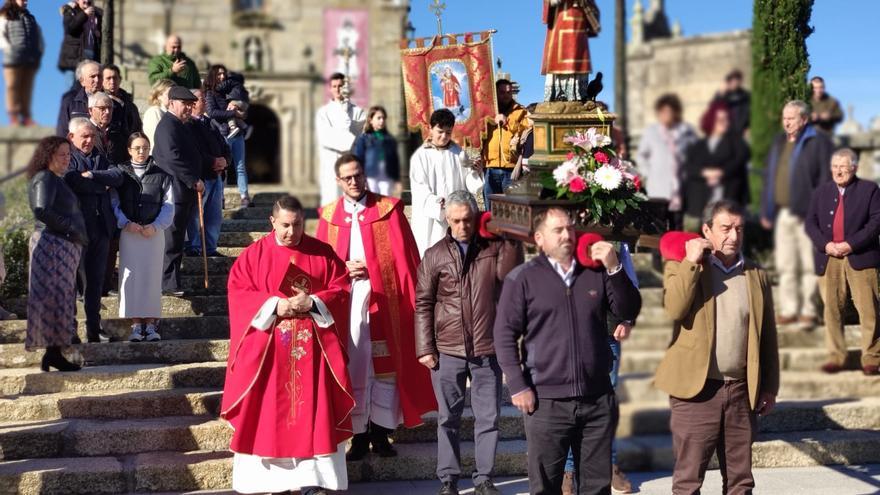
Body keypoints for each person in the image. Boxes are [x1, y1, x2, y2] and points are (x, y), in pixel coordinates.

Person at [493, 207, 641, 495]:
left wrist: (614, 267)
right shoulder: (522, 278)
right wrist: (517, 384)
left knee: (597, 488)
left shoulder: (596, 273)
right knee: (545, 487)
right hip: (546, 401)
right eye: (557, 230)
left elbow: (628, 308)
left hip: (596, 398)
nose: (566, 235)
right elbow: (504, 334)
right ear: (539, 239)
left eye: (569, 229)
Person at [220, 195, 354, 495]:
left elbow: (341, 289)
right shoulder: (253, 256)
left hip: (313, 353)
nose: (290, 232)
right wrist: (273, 306)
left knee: (312, 416)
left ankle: (313, 481)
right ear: (272, 222)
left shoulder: (323, 254)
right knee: (271, 418)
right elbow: (238, 294)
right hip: (269, 356)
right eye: (284, 226)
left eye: (296, 225)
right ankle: (273, 484)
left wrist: (315, 301)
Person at [316, 153, 437, 461]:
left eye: (358, 175)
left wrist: (373, 268)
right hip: (347, 301)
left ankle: (382, 433)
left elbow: (406, 259)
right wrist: (344, 269)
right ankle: (357, 437)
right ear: (338, 181)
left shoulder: (388, 210)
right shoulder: (328, 216)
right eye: (348, 177)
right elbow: (320, 267)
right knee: (354, 367)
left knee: (384, 369)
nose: (354, 181)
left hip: (384, 299)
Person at [654, 200, 780, 494]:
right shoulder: (683, 266)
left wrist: (769, 386)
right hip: (697, 392)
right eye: (725, 228)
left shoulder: (755, 274)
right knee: (688, 480)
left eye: (739, 229)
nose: (733, 237)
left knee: (741, 480)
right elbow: (674, 308)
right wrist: (690, 263)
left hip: (740, 391)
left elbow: (768, 335)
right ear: (706, 230)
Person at [415, 190, 522, 495]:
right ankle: (448, 478)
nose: (462, 226)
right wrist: (425, 348)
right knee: (448, 417)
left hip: (487, 348)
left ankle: (484, 478)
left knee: (489, 417)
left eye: (468, 220)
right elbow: (423, 302)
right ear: (447, 220)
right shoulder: (434, 254)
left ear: (476, 217)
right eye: (456, 220)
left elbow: (510, 277)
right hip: (447, 349)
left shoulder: (494, 248)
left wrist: (509, 237)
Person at [804, 148, 880, 376]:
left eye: (843, 166)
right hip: (828, 258)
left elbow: (877, 222)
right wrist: (825, 245)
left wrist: (851, 244)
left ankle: (872, 358)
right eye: (835, 166)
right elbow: (810, 223)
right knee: (832, 311)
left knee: (869, 310)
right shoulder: (821, 192)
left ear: (854, 168)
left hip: (860, 256)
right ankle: (836, 357)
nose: (838, 171)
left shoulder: (870, 190)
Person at [761, 100, 834, 326]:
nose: (787, 122)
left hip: (808, 215)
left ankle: (809, 310)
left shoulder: (819, 142)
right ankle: (790, 308)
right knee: (786, 264)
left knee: (809, 264)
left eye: (791, 118)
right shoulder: (779, 142)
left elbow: (825, 179)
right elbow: (770, 177)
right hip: (783, 213)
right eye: (784, 118)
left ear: (804, 119)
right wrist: (767, 209)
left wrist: (818, 211)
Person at [26, 135, 87, 371]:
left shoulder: (56, 179)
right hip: (52, 245)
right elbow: (41, 210)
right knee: (54, 298)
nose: (66, 158)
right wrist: (71, 228)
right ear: (48, 155)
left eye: (68, 154)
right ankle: (53, 353)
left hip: (62, 244)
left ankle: (54, 353)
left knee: (61, 299)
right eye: (61, 154)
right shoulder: (45, 177)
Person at [64, 117, 123, 343]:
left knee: (96, 282)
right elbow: (74, 182)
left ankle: (93, 328)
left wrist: (95, 176)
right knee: (75, 282)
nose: (89, 140)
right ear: (72, 137)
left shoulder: (100, 158)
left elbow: (118, 177)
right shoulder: (68, 159)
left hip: (101, 228)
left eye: (92, 136)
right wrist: (101, 185)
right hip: (78, 230)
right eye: (84, 136)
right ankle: (70, 329)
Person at [111, 132, 174, 342]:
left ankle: (152, 324)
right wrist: (125, 223)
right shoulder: (120, 173)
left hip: (153, 234)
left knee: (152, 277)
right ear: (129, 150)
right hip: (130, 233)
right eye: (137, 148)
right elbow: (114, 202)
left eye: (145, 148)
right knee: (131, 279)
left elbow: (168, 205)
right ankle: (136, 325)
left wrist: (155, 226)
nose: (141, 152)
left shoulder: (162, 175)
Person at [152, 86, 206, 296]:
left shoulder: (181, 125)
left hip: (183, 191)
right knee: (171, 239)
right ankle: (168, 283)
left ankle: (172, 281)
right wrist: (193, 180)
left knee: (177, 238)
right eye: (185, 104)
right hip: (174, 190)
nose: (188, 108)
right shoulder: (167, 125)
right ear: (172, 102)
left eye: (191, 104)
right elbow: (172, 159)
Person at [409, 108, 484, 257]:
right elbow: (419, 188)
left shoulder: (458, 153)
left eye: (448, 133)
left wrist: (476, 171)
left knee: (457, 254)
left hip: (456, 215)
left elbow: (469, 181)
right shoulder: (421, 156)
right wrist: (438, 203)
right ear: (430, 128)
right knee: (432, 252)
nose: (444, 137)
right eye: (440, 132)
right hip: (433, 217)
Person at [683, 101, 750, 231]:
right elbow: (689, 167)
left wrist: (721, 173)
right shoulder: (699, 145)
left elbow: (740, 159)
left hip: (727, 195)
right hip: (701, 200)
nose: (724, 122)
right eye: (720, 119)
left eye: (726, 119)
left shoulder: (736, 142)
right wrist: (705, 173)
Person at [635, 93, 698, 231]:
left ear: (676, 112)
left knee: (677, 225)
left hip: (680, 188)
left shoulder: (686, 132)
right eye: (661, 112)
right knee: (657, 227)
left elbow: (697, 156)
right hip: (658, 188)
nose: (665, 115)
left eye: (668, 111)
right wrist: (649, 172)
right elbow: (641, 156)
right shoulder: (651, 132)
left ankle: (676, 252)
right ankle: (657, 253)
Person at [185, 88, 229, 257]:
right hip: (202, 175)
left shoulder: (210, 122)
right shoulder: (188, 124)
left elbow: (224, 146)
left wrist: (225, 160)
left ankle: (210, 247)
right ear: (193, 102)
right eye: (201, 98)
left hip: (216, 175)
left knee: (214, 215)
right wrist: (213, 161)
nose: (204, 101)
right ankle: (194, 246)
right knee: (197, 215)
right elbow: (194, 150)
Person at [315, 72, 365, 205]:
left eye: (341, 86)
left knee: (352, 199)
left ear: (346, 87)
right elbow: (325, 137)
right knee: (332, 201)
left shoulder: (357, 111)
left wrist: (345, 114)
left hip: (350, 162)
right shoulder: (323, 112)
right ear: (330, 89)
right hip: (331, 161)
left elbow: (357, 135)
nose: (337, 89)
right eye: (334, 86)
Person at [482, 78, 532, 209]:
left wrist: (508, 123)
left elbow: (526, 134)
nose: (506, 95)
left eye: (509, 92)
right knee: (491, 208)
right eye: (502, 92)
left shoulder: (521, 111)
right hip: (490, 168)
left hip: (510, 169)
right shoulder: (486, 112)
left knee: (511, 209)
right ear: (495, 93)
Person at [204, 65, 250, 206]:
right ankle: (221, 198)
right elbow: (212, 113)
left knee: (240, 166)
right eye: (219, 74)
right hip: (223, 134)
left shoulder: (231, 89)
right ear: (213, 76)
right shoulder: (210, 94)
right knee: (223, 167)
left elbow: (243, 108)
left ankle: (244, 196)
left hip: (237, 134)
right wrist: (234, 113)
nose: (222, 77)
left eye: (223, 74)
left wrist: (240, 112)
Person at [541, 0, 600, 101]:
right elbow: (548, 3)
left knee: (578, 56)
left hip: (578, 23)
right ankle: (559, 92)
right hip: (560, 21)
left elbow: (592, 8)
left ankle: (578, 93)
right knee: (559, 57)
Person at [0, 0, 43, 126]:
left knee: (26, 88)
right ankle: (13, 116)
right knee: (13, 86)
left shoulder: (30, 18)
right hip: (12, 58)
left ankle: (26, 117)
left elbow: (38, 36)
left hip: (30, 58)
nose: (26, 1)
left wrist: (38, 51)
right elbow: (1, 35)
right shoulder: (5, 14)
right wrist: (9, 49)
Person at [351, 106, 400, 197]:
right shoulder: (364, 138)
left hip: (387, 173)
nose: (382, 121)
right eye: (379, 118)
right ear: (371, 120)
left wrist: (396, 179)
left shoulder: (389, 139)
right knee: (373, 198)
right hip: (370, 173)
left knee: (386, 199)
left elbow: (394, 160)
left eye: (383, 118)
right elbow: (359, 158)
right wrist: (361, 177)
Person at [57, 0, 101, 84]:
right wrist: (84, 14)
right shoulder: (70, 10)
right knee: (72, 89)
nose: (86, 1)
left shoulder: (97, 14)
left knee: (89, 89)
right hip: (74, 59)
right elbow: (70, 29)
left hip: (92, 56)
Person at [56, 59, 100, 137]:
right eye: (92, 76)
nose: (97, 80)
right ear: (82, 81)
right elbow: (62, 132)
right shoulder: (69, 100)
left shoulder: (110, 101)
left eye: (99, 76)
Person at [87, 91, 127, 165]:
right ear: (91, 110)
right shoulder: (83, 132)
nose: (108, 112)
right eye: (102, 108)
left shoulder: (117, 134)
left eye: (110, 108)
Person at [102, 64, 143, 135]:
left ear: (120, 80)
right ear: (102, 80)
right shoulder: (98, 102)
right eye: (108, 78)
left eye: (115, 78)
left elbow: (137, 127)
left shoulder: (128, 102)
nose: (112, 82)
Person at [710, 69, 750, 137]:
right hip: (725, 133)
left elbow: (749, 112)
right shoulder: (722, 95)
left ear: (740, 81)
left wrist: (748, 127)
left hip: (740, 132)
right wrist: (721, 94)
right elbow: (713, 109)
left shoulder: (745, 96)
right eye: (732, 80)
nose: (734, 83)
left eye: (737, 80)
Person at [142, 79, 174, 146]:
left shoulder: (170, 113)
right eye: (169, 94)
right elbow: (156, 139)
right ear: (159, 96)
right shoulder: (154, 112)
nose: (173, 97)